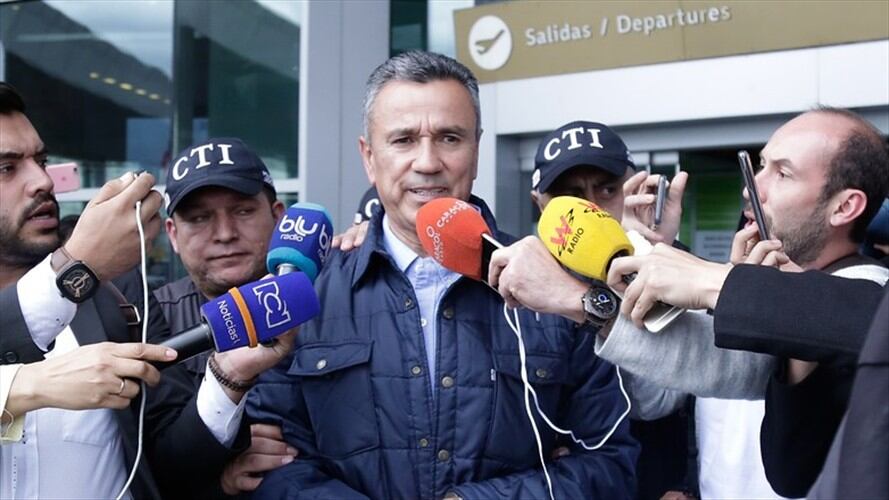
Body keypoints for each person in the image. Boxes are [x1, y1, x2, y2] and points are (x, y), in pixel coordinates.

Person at [248, 50, 638, 500]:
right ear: (369, 157)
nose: (428, 162)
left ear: (476, 149)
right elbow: (273, 468)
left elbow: (609, 464)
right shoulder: (306, 291)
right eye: (403, 140)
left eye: (449, 138)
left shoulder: (560, 288)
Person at [492, 107, 889, 498]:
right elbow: (702, 361)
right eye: (760, 166)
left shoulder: (868, 295)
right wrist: (594, 288)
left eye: (782, 174)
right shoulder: (767, 290)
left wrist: (718, 282)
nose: (752, 188)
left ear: (844, 206)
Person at [0, 81, 175, 498]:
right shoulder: (85, 274)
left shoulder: (117, 294)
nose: (42, 180)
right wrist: (29, 385)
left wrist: (229, 382)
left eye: (41, 161)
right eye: (6, 168)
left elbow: (168, 446)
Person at [526, 120, 696, 500]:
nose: (591, 206)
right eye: (570, 195)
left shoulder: (674, 266)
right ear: (539, 203)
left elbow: (664, 401)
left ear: (634, 188)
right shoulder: (522, 283)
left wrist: (645, 254)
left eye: (607, 189)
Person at [150, 138, 297, 498]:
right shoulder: (150, 320)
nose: (225, 234)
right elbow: (148, 470)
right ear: (172, 234)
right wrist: (218, 482)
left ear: (278, 216)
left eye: (243, 211)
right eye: (199, 218)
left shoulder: (332, 295)